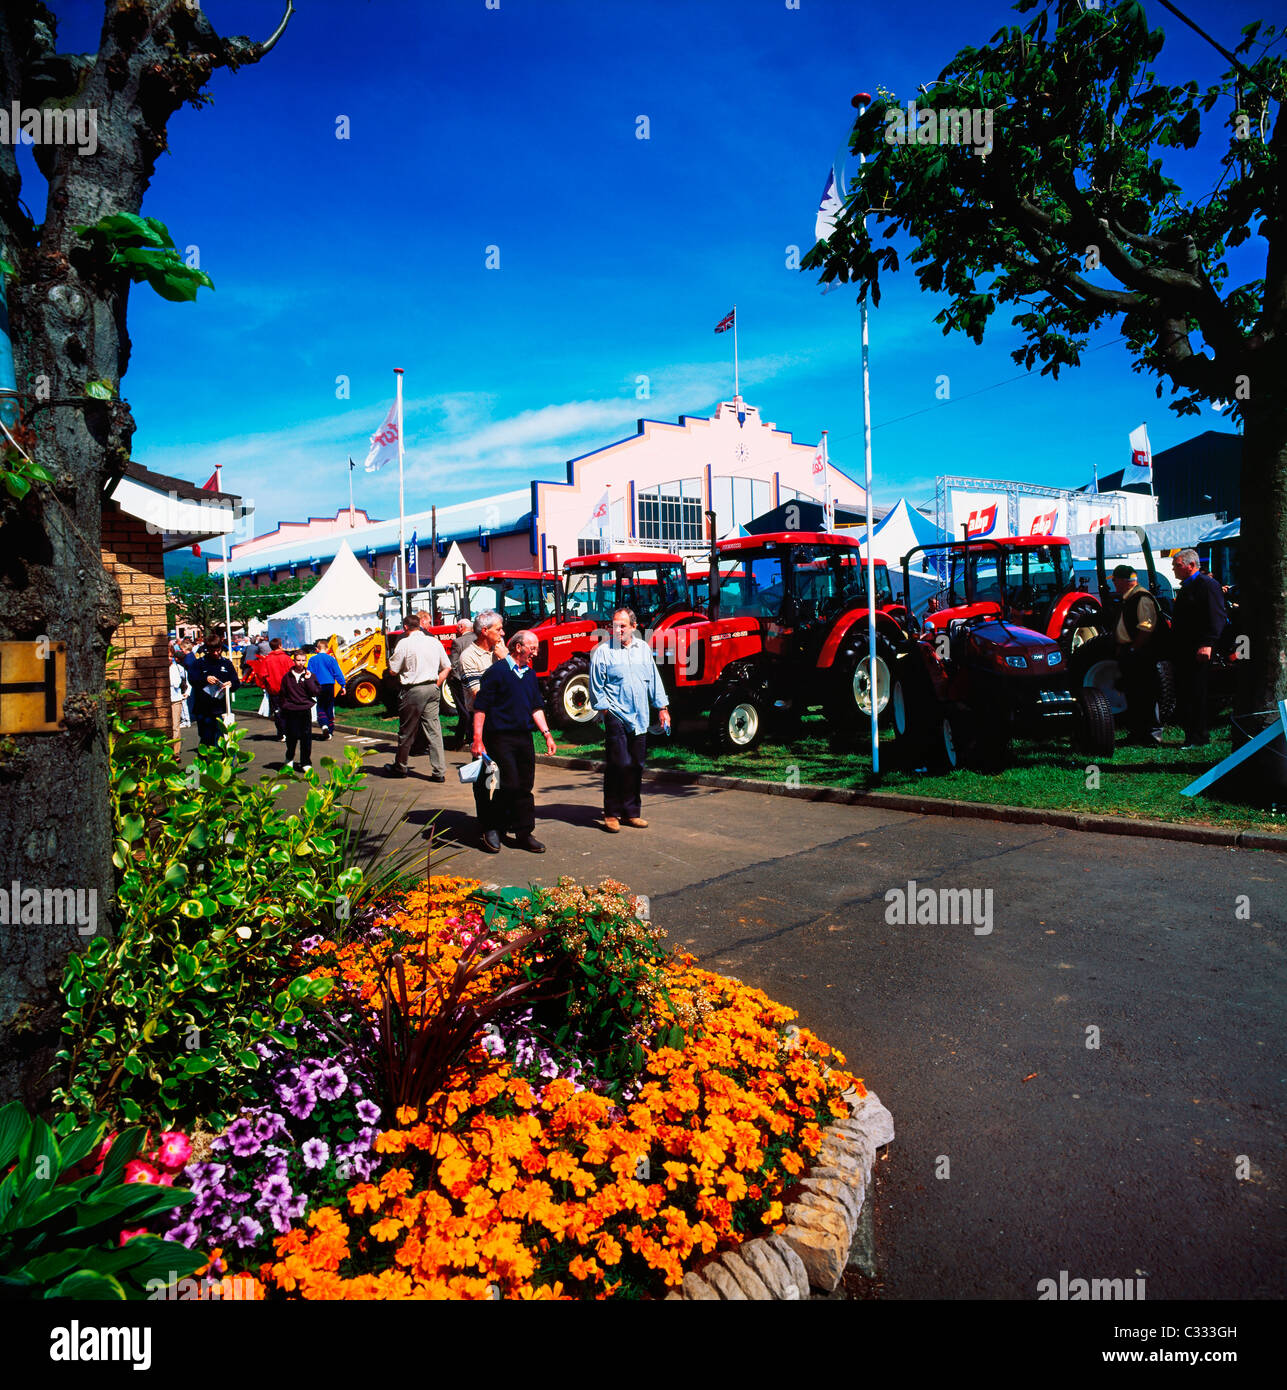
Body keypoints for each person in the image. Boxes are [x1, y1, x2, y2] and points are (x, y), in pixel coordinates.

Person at [471, 630, 557, 853]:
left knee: (524, 785)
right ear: (518, 647)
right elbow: (480, 708)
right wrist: (477, 740)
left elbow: (535, 706)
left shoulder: (529, 673)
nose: (536, 653)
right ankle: (492, 827)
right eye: (533, 648)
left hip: (523, 738)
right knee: (498, 784)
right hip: (498, 737)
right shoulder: (496, 672)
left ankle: (523, 832)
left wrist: (546, 734)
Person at [589, 606, 671, 831]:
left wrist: (662, 708)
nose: (617, 629)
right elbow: (596, 686)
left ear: (634, 627)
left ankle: (631, 812)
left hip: (640, 716)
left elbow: (654, 679)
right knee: (619, 763)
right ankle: (612, 813)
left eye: (622, 625)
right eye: (614, 625)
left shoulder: (643, 649)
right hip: (616, 714)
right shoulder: (603, 651)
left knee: (636, 765)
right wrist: (605, 711)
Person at [1170, 548, 1229, 749]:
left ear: (1191, 565)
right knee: (1186, 692)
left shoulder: (1207, 585)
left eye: (1177, 565)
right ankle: (1191, 735)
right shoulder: (1187, 587)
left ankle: (1199, 736)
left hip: (1199, 649)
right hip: (1185, 649)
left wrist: (1208, 643)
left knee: (1197, 692)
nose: (1173, 569)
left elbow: (1216, 616)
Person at [386, 613, 450, 779]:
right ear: (420, 625)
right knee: (434, 730)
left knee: (407, 731)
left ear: (405, 627)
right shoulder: (434, 642)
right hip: (432, 687)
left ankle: (400, 767)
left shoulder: (404, 643)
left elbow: (393, 669)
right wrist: (436, 683)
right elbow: (447, 667)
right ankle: (439, 771)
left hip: (413, 689)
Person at [1110, 564, 1163, 747]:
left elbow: (1146, 628)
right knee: (1134, 693)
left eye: (1115, 580)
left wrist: (1133, 649)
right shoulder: (1130, 598)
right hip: (1131, 652)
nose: (1114, 584)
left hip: (1141, 654)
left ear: (1125, 581)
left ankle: (1152, 735)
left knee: (1147, 693)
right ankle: (1138, 733)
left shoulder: (1141, 598)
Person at [190, 637, 240, 746]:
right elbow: (193, 680)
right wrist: (205, 679)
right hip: (204, 710)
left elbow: (236, 682)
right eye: (213, 651)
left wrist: (230, 684)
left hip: (221, 709)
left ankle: (224, 762)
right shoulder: (198, 664)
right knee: (206, 740)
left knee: (223, 739)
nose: (216, 653)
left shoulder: (226, 663)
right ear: (207, 649)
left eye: (218, 650)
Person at [256, 637, 294, 742]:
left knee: (278, 711)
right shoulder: (286, 658)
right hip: (287, 689)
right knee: (288, 711)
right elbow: (293, 672)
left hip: (273, 689)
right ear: (280, 646)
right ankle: (288, 731)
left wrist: (264, 686)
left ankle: (281, 733)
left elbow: (261, 674)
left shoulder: (267, 659)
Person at [307, 640, 346, 741]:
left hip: (318, 684)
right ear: (328, 649)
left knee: (320, 706)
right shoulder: (331, 659)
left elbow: (309, 674)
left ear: (317, 649)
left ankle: (323, 724)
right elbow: (337, 672)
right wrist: (343, 685)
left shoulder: (312, 659)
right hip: (329, 685)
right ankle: (330, 729)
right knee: (329, 706)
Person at [169, 652, 191, 739]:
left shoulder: (179, 668)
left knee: (175, 727)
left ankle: (186, 721)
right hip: (166, 699)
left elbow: (187, 681)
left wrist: (187, 692)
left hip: (177, 697)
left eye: (171, 656)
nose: (170, 658)